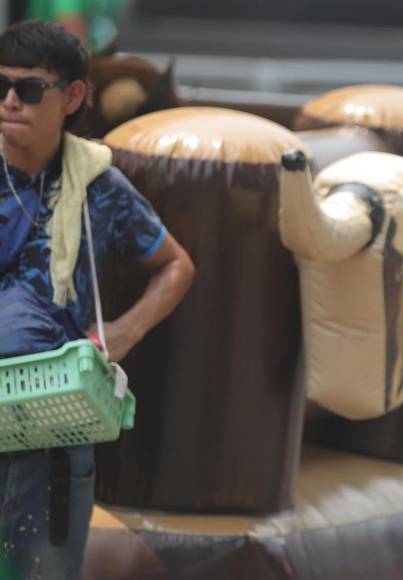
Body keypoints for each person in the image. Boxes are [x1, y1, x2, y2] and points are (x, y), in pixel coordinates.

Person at [0, 20, 194, 578]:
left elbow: (177, 265)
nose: (11, 100)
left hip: (52, 424)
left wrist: (123, 333)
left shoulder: (98, 185)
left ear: (72, 97)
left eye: (30, 89)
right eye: (1, 86)